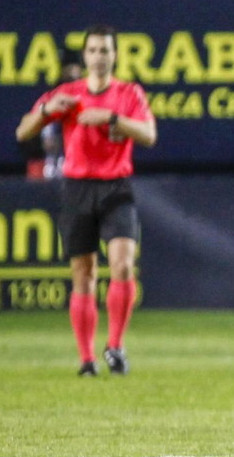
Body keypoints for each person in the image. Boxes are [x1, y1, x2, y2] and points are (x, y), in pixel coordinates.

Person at [15, 26, 157, 376]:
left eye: (105, 50)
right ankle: (87, 359)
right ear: (86, 56)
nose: (99, 57)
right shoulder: (68, 94)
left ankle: (115, 345)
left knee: (123, 265)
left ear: (115, 55)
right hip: (78, 188)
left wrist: (111, 119)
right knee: (84, 275)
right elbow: (22, 132)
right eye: (93, 50)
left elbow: (149, 135)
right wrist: (47, 108)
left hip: (116, 186)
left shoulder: (128, 93)